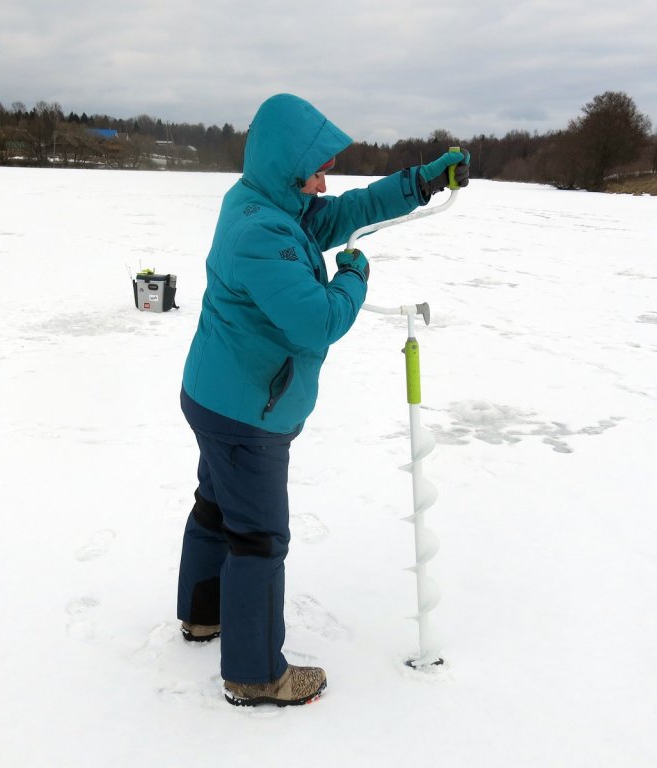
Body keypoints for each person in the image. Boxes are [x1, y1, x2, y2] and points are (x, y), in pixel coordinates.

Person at [177, 93, 465, 707]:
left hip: (219, 394)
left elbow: (351, 210)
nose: (324, 179)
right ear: (287, 167)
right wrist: (353, 274)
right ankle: (255, 674)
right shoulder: (262, 232)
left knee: (215, 506)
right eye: (315, 168)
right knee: (257, 536)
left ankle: (203, 614)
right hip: (244, 411)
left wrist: (422, 182)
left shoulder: (271, 203)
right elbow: (318, 322)